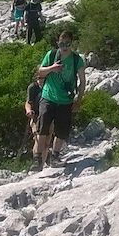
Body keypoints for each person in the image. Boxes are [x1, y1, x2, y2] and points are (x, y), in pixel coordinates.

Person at [33, 31, 86, 171]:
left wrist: (79, 100)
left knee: (61, 131)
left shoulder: (76, 59)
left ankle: (54, 156)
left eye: (67, 44)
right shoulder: (51, 55)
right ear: (58, 44)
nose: (65, 47)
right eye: (62, 44)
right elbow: (40, 71)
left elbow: (82, 81)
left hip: (65, 100)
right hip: (48, 96)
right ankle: (37, 159)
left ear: (72, 44)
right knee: (42, 128)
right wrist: (52, 68)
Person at [25, 71, 53, 168]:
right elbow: (28, 102)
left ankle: (43, 162)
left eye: (43, 78)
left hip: (49, 116)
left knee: (47, 141)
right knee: (38, 138)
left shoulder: (51, 86)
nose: (41, 80)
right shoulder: (32, 88)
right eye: (39, 78)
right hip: (36, 116)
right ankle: (37, 162)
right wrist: (29, 111)